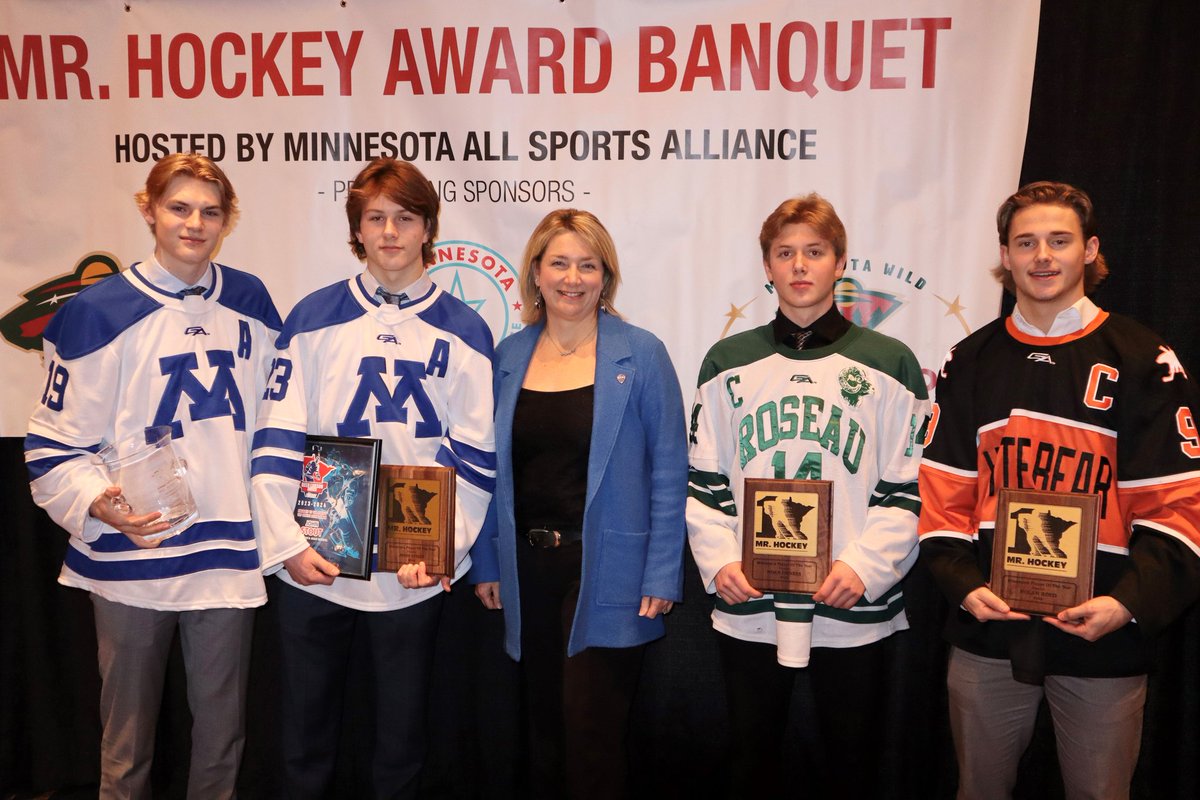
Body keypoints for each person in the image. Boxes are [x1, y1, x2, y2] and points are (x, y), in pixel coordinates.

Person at [918, 181, 1200, 799]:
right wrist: (964, 588)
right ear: (1006, 255)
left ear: (1090, 250)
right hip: (990, 628)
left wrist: (1128, 603)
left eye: (1059, 240)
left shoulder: (1144, 357)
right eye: (1026, 242)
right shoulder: (969, 359)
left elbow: (1178, 504)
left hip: (1105, 631)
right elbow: (942, 497)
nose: (1042, 256)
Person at [24, 153, 280, 799]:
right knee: (126, 744)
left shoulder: (250, 299)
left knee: (222, 741)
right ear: (149, 210)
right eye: (179, 207)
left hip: (225, 557)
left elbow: (278, 420)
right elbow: (51, 444)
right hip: (133, 554)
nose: (195, 223)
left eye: (210, 211)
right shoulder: (96, 311)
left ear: (228, 221)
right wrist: (98, 504)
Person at [251, 157, 495, 799]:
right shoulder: (312, 317)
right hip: (316, 561)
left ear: (427, 228)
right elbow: (276, 441)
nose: (390, 232)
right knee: (305, 739)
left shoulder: (465, 330)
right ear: (357, 230)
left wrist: (443, 549)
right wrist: (286, 545)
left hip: (409, 571)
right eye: (375, 218)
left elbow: (474, 458)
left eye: (405, 218)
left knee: (401, 742)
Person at [685, 194, 929, 797]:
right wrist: (720, 562)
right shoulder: (727, 361)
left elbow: (912, 485)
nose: (800, 266)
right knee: (751, 758)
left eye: (814, 252)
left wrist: (866, 566)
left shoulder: (891, 362)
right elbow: (704, 480)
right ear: (766, 266)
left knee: (853, 764)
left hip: (850, 601)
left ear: (839, 262)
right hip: (752, 597)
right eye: (785, 253)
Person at [469, 209, 687, 799]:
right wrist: (486, 563)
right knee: (541, 732)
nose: (573, 277)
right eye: (559, 262)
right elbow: (489, 468)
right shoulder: (508, 357)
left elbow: (669, 469)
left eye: (588, 265)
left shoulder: (640, 355)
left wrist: (663, 571)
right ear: (535, 273)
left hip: (607, 568)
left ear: (605, 277)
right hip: (525, 570)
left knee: (593, 736)